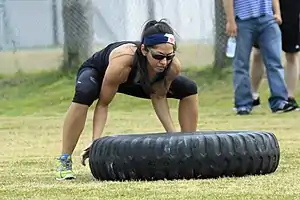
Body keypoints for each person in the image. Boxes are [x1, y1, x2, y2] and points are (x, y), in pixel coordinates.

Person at [55, 19, 199, 180]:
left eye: (169, 56)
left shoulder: (171, 67)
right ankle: (64, 160)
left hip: (135, 79)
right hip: (101, 73)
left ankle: (188, 150)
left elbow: (158, 96)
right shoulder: (123, 60)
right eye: (158, 56)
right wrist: (97, 143)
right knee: (85, 92)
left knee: (189, 88)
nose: (164, 62)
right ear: (144, 50)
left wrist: (174, 138)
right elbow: (103, 104)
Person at [223, 0, 297, 115]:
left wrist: (277, 12)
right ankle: (243, 104)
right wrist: (230, 21)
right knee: (241, 64)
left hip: (267, 19)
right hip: (243, 20)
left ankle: (279, 101)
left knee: (274, 62)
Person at [250, 0, 300, 110]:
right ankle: (252, 95)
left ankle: (289, 97)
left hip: (291, 9)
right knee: (258, 53)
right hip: (266, 7)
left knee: (292, 53)